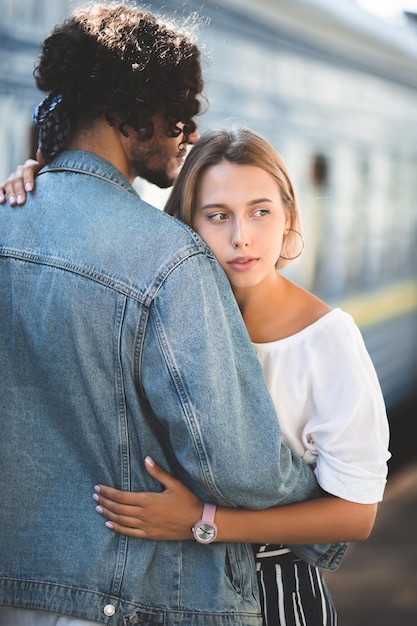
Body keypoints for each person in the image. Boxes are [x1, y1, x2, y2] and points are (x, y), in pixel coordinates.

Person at [0, 4, 335, 626]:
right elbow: (233, 460)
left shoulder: (8, 215)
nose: (187, 132)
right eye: (177, 111)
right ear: (130, 112)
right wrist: (328, 515)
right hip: (132, 600)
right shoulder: (170, 258)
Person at [6, 128, 391, 626]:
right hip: (169, 589)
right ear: (184, 225)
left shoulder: (326, 339)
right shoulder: (165, 310)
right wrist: (47, 191)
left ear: (289, 215)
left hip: (272, 586)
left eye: (260, 211)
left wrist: (201, 524)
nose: (241, 237)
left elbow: (357, 515)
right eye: (217, 216)